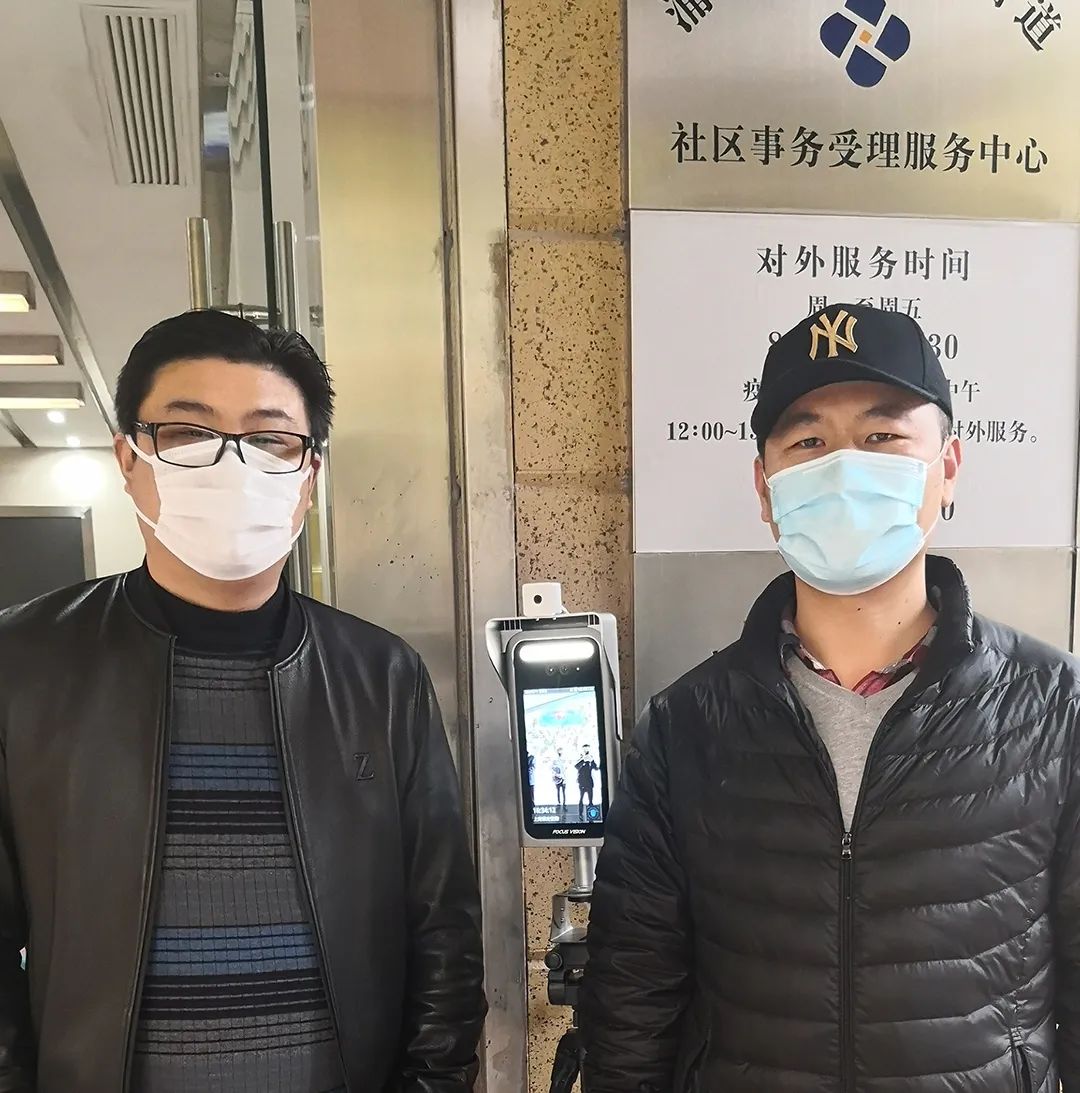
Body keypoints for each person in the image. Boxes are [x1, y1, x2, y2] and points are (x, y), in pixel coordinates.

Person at [580, 303, 1080, 1092]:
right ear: (765, 486)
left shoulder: (1052, 708)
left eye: (882, 436)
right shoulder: (685, 729)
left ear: (949, 466)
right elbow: (631, 1006)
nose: (845, 469)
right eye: (809, 442)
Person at [0, 310, 486, 1092]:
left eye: (269, 440)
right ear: (128, 458)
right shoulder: (24, 665)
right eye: (189, 433)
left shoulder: (381, 677)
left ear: (309, 476)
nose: (232, 464)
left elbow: (444, 934)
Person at [575, 744, 598, 821]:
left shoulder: (591, 758)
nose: (586, 750)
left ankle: (591, 816)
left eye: (587, 748)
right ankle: (580, 815)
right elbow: (576, 766)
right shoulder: (580, 758)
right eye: (585, 749)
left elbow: (595, 767)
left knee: (591, 799)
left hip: (589, 782)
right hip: (582, 782)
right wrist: (583, 760)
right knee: (581, 798)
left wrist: (592, 761)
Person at [552, 749, 568, 813]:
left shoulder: (564, 760)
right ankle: (559, 803)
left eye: (561, 751)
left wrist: (564, 777)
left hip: (563, 779)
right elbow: (552, 769)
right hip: (557, 779)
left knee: (563, 792)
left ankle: (564, 804)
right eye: (559, 752)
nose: (560, 753)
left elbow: (566, 769)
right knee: (558, 791)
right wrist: (556, 775)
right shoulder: (555, 760)